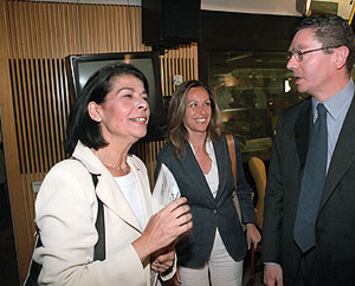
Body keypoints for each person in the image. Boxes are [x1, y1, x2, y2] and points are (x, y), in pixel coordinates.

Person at [262, 14, 355, 286]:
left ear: (338, 56)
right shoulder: (289, 121)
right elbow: (277, 193)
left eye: (300, 54)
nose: (290, 63)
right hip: (294, 267)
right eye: (290, 55)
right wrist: (271, 257)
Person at [32, 63, 192, 285]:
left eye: (144, 97)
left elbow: (142, 251)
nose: (143, 104)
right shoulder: (68, 178)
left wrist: (161, 258)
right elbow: (62, 281)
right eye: (128, 96)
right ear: (96, 111)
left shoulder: (137, 168)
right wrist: (149, 243)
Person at [154, 80, 261, 286]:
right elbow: (163, 209)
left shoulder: (228, 144)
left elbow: (241, 187)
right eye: (193, 105)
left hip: (229, 238)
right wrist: (168, 253)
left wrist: (250, 222)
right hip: (190, 246)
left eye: (206, 104)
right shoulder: (168, 156)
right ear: (180, 110)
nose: (201, 111)